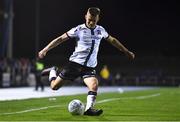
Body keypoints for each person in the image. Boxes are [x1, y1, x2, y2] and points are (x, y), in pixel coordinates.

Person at [38, 7, 135, 116]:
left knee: (94, 85)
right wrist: (45, 49)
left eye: (94, 20)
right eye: (89, 19)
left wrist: (126, 51)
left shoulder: (101, 30)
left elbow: (113, 40)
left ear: (98, 18)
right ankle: (52, 71)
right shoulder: (78, 29)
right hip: (75, 64)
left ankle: (89, 109)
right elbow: (60, 39)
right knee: (54, 87)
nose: (91, 22)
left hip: (89, 67)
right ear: (85, 17)